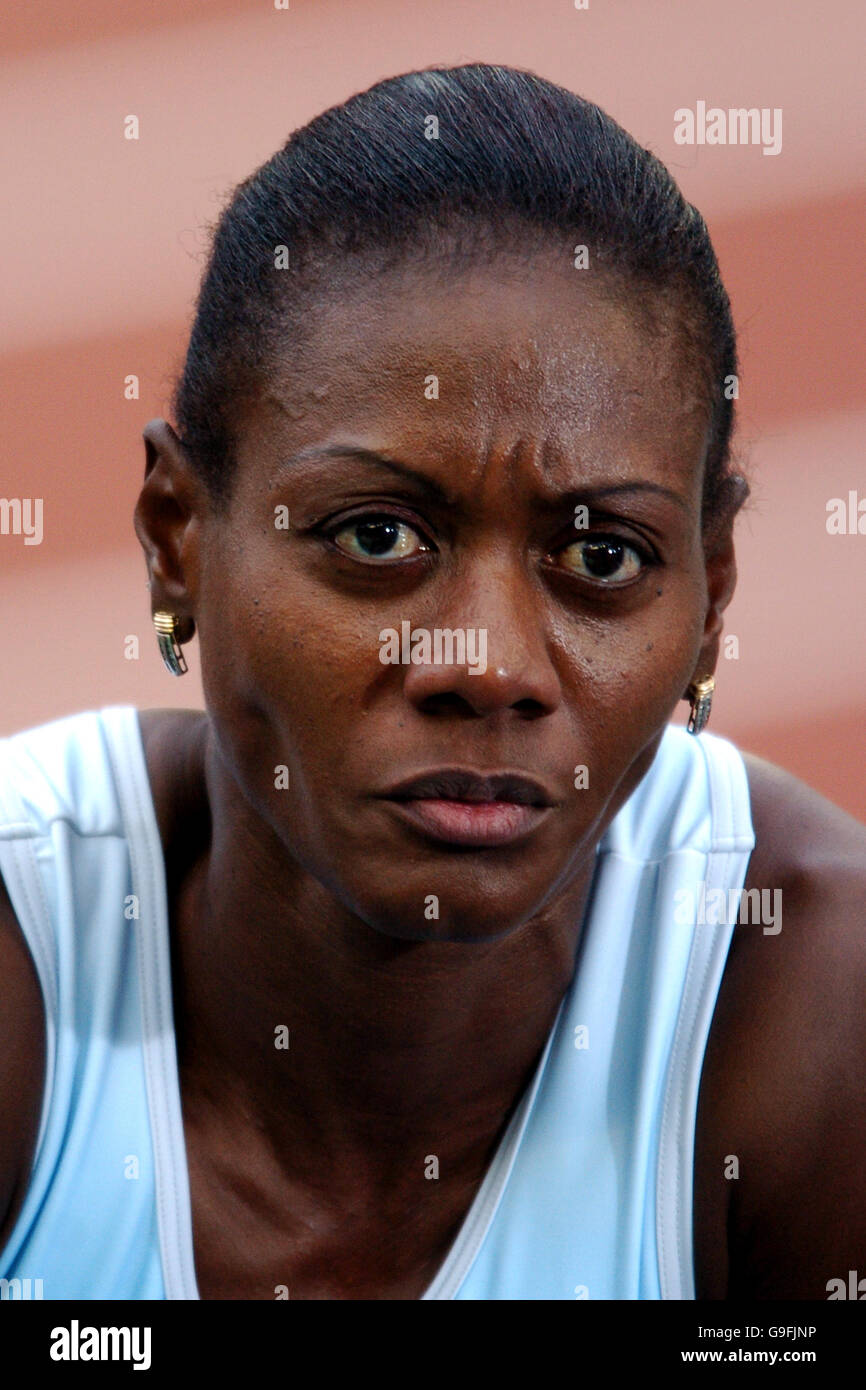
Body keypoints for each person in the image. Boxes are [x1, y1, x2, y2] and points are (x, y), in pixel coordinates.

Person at [1, 62, 864, 1302]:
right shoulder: (24, 957)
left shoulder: (815, 1014)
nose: (491, 667)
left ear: (709, 598)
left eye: (600, 557)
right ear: (177, 536)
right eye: (376, 537)